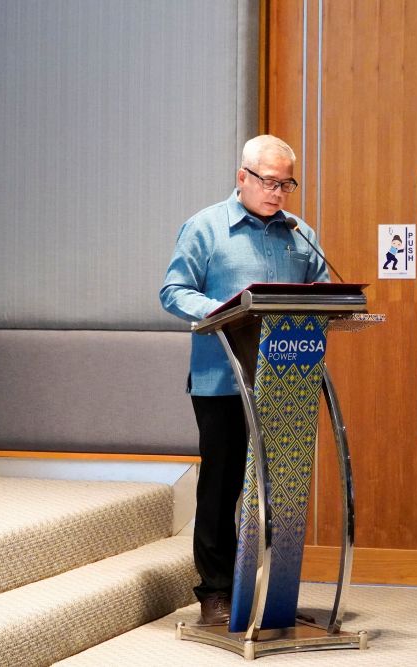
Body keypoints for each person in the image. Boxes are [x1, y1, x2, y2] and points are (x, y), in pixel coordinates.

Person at [159, 135, 329, 625]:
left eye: (286, 184)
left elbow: (321, 290)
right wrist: (222, 310)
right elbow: (173, 290)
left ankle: (272, 594)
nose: (277, 193)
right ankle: (215, 592)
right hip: (224, 381)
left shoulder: (298, 233)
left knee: (280, 490)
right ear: (242, 177)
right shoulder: (206, 227)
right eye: (269, 182)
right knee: (222, 487)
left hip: (286, 380)